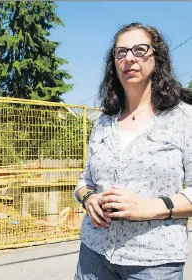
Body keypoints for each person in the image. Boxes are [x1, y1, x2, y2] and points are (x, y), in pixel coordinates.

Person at [74, 22, 192, 280]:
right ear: (114, 63)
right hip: (94, 255)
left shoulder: (184, 118)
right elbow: (85, 181)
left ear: (157, 59)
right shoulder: (104, 122)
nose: (129, 58)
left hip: (153, 263)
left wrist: (149, 208)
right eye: (121, 52)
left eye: (139, 50)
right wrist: (89, 199)